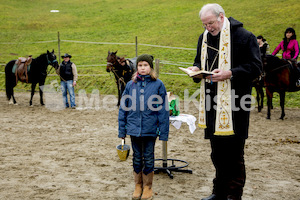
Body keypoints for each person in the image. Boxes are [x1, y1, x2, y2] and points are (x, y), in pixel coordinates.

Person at [188, 4, 262, 200]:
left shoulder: (245, 37)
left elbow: (256, 67)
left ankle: (234, 195)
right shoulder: (203, 38)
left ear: (221, 17)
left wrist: (230, 73)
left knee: (234, 154)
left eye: (210, 23)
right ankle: (218, 192)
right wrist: (195, 70)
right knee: (217, 153)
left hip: (237, 103)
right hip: (212, 104)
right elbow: (199, 61)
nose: (208, 28)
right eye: (204, 24)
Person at [118, 54, 169, 200]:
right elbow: (123, 109)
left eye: (145, 65)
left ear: (150, 67)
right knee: (137, 158)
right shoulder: (130, 85)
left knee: (148, 157)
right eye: (140, 65)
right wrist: (122, 130)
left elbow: (163, 110)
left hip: (150, 129)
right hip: (134, 129)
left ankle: (148, 186)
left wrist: (163, 132)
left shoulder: (158, 84)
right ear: (136, 67)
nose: (142, 68)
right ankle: (138, 185)